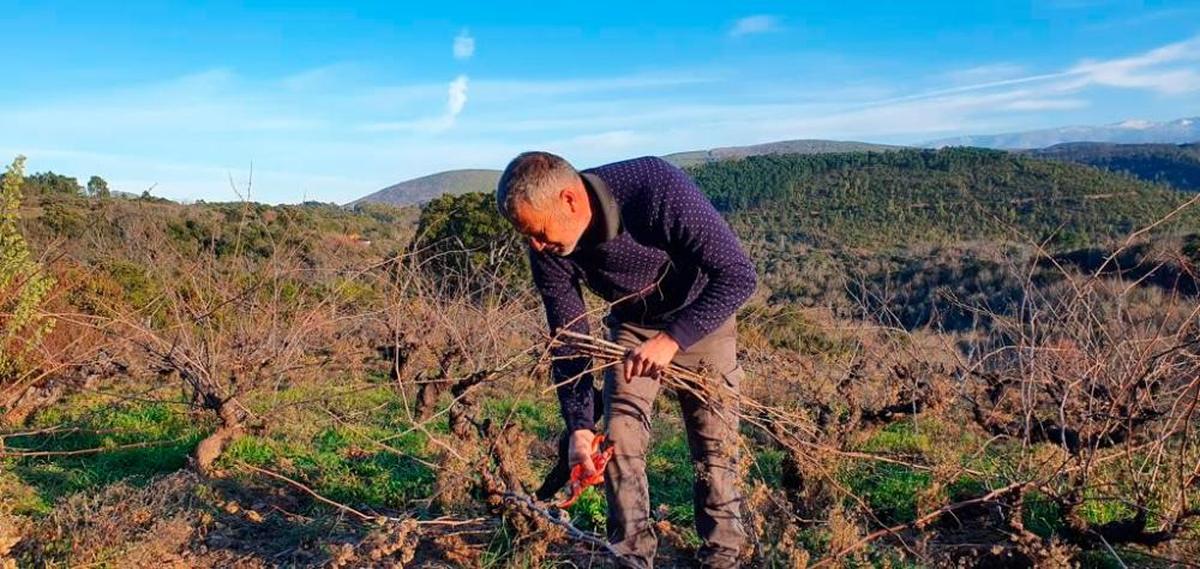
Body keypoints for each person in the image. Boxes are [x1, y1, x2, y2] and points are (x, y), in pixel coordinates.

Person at [495, 151, 757, 568]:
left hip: (702, 317)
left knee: (715, 444)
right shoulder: (547, 249)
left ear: (569, 200)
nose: (537, 246)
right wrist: (580, 427)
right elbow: (570, 340)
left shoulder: (653, 187)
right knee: (617, 437)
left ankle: (722, 555)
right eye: (527, 235)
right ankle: (631, 556)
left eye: (540, 233)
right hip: (632, 328)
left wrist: (672, 339)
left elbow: (739, 276)